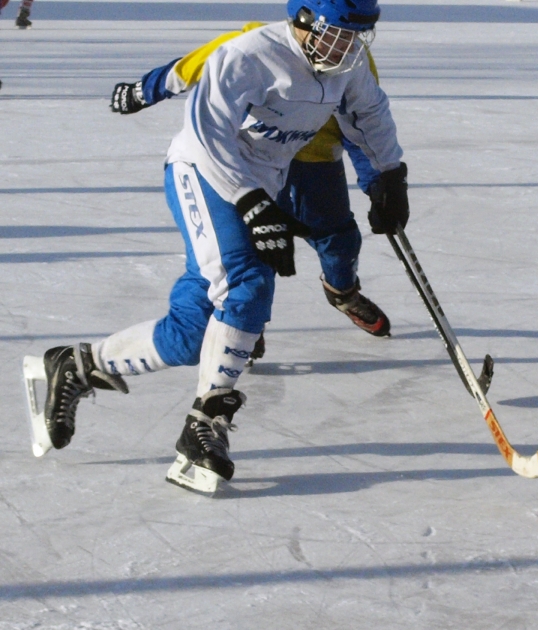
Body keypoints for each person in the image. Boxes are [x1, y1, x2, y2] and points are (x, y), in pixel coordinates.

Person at [26, 0, 410, 493]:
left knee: (192, 334)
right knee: (247, 284)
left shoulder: (347, 65)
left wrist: (389, 176)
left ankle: (78, 365)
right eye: (338, 33)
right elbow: (208, 135)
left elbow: (370, 114)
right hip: (204, 172)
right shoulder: (249, 54)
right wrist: (251, 203)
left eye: (357, 36)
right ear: (304, 20)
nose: (348, 47)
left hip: (260, 183)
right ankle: (204, 425)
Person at [110, 21, 393, 357]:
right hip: (254, 160)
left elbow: (362, 125)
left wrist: (379, 181)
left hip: (316, 163)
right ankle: (247, 322)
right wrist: (142, 92)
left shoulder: (354, 57)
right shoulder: (257, 46)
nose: (341, 41)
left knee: (339, 237)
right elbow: (192, 66)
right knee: (257, 245)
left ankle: (342, 291)